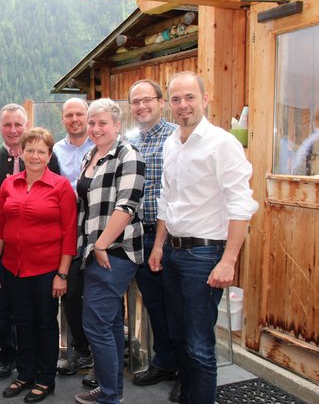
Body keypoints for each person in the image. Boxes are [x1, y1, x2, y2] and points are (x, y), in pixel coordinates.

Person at [149, 71, 258, 403]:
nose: (183, 106)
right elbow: (167, 198)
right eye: (177, 99)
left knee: (198, 346)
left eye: (190, 97)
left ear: (205, 99)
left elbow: (241, 204)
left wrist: (229, 261)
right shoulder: (172, 143)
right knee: (179, 337)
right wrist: (158, 246)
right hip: (172, 252)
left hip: (205, 256)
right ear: (169, 104)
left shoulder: (222, 143)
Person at [0, 127, 77, 403]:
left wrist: (62, 274)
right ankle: (25, 374)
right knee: (21, 322)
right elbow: (0, 226)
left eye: (41, 151)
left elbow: (69, 233)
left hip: (47, 270)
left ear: (49, 155)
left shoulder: (60, 186)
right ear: (21, 152)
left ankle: (45, 378)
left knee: (45, 324)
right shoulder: (9, 184)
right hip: (13, 267)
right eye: (30, 150)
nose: (35, 156)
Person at [0, 103, 61, 379]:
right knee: (5, 311)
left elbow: (63, 216)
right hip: (1, 252)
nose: (13, 130)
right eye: (7, 124)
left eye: (18, 125)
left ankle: (40, 368)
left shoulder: (51, 165)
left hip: (42, 259)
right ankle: (9, 358)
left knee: (39, 317)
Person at [73, 99, 145, 404]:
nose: (95, 128)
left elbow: (126, 206)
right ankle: (111, 389)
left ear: (117, 125)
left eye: (103, 123)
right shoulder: (92, 154)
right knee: (111, 322)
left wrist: (101, 244)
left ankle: (110, 395)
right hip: (94, 250)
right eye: (92, 122)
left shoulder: (128, 155)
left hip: (115, 250)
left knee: (95, 322)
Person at [127, 80, 180, 400]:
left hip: (172, 238)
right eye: (136, 102)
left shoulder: (176, 137)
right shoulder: (130, 141)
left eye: (147, 100)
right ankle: (166, 361)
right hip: (139, 236)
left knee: (179, 307)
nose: (142, 107)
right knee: (156, 305)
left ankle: (190, 372)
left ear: (162, 102)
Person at [52, 97, 95, 380]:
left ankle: (100, 356)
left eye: (80, 114)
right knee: (71, 297)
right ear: (63, 119)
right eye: (70, 115)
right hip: (67, 230)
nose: (75, 119)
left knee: (99, 296)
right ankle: (81, 350)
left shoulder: (100, 144)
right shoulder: (55, 149)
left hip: (99, 229)